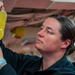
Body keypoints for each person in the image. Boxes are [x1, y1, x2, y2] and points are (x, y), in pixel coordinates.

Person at [0, 1, 75, 75]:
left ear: (65, 43)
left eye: (49, 31)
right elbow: (3, 52)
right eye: (41, 29)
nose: (39, 33)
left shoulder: (68, 73)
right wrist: (1, 16)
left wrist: (2, 64)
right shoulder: (30, 63)